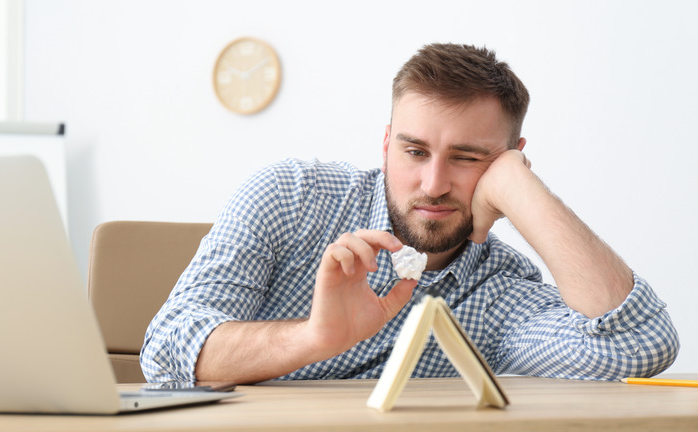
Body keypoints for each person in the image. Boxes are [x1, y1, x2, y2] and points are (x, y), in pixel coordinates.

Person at [141, 43, 679, 384]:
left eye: (469, 158)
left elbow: (637, 344)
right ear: (385, 144)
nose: (434, 183)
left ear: (511, 157)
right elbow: (166, 350)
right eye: (415, 152)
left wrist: (522, 188)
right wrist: (312, 338)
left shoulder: (501, 290)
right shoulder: (291, 196)